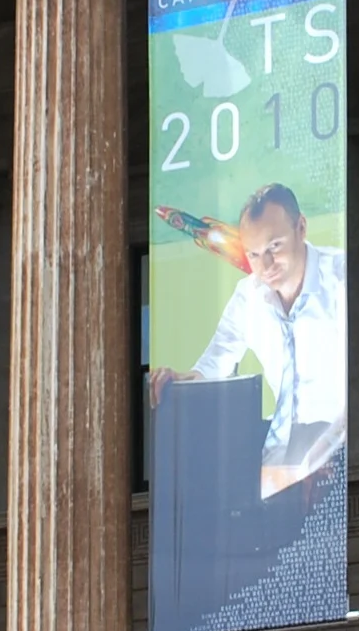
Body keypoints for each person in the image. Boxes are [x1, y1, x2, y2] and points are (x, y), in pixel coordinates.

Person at [148, 183, 346, 494]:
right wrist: (177, 379)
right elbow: (213, 365)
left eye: (275, 248)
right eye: (254, 254)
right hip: (279, 465)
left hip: (341, 453)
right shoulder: (248, 296)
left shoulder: (342, 279)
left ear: (302, 228)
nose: (264, 267)